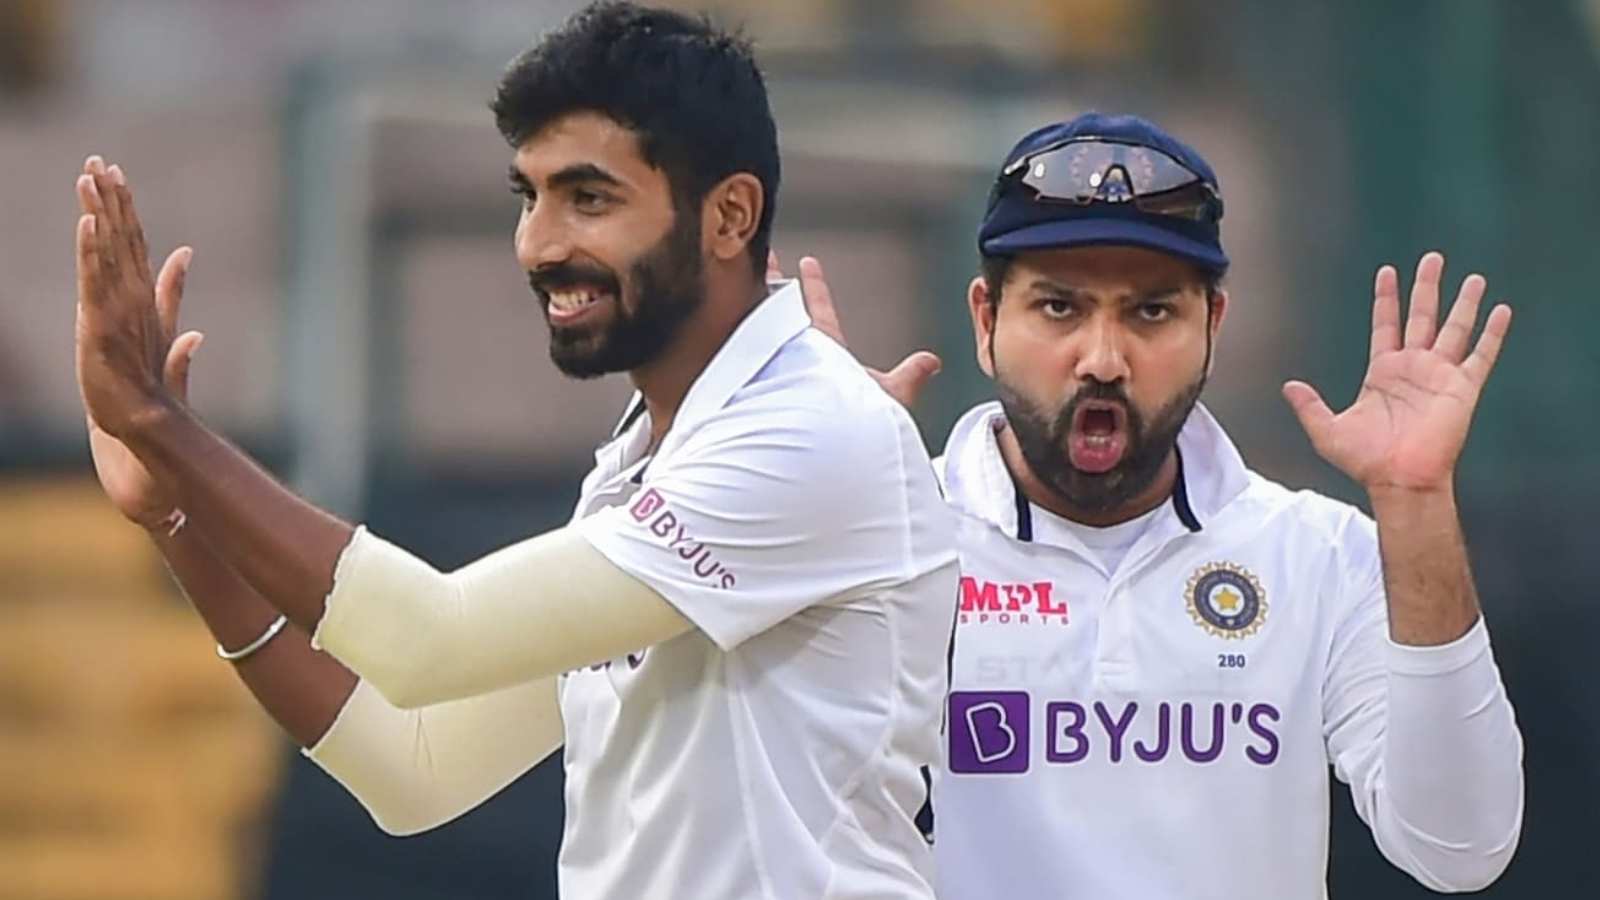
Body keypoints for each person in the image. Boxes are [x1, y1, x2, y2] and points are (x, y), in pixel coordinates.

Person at [68, 3, 960, 899]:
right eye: (527, 196)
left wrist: (161, 424)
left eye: (589, 197)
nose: (538, 243)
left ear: (730, 217)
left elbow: (430, 640)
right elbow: (416, 770)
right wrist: (178, 515)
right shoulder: (646, 460)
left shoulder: (807, 430)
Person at [778, 111, 1525, 899]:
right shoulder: (887, 540)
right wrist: (808, 508)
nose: (1103, 360)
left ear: (1214, 324)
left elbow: (1463, 845)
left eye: (1152, 312)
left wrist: (1416, 502)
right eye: (1060, 308)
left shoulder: (1316, 555)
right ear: (986, 321)